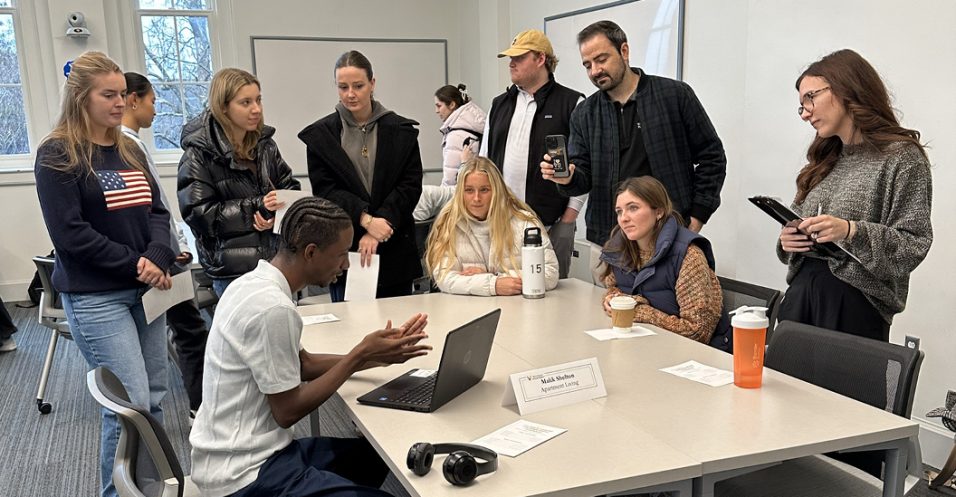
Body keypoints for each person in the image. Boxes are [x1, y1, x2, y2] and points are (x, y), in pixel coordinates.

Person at [190, 196, 431, 497]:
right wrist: (359, 356)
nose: (346, 264)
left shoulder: (255, 283)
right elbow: (288, 411)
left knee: (374, 460)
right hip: (244, 475)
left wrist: (377, 357)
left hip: (241, 452)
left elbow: (302, 365)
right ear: (311, 252)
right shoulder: (272, 309)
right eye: (342, 254)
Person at [34, 51, 177, 497]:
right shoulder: (57, 154)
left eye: (122, 94)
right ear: (81, 97)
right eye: (109, 95)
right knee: (128, 406)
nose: (121, 103)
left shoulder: (128, 147)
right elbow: (71, 236)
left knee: (152, 398)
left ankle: (147, 490)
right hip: (98, 298)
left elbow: (156, 211)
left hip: (146, 291)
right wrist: (138, 264)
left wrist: (157, 255)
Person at [777, 49, 933, 343]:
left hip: (854, 307)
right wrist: (788, 241)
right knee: (782, 387)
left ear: (846, 89)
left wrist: (850, 231)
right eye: (801, 105)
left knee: (835, 390)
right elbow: (798, 222)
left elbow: (914, 244)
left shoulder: (902, 158)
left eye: (810, 98)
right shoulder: (824, 161)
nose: (805, 113)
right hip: (800, 297)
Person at [542, 20, 726, 246]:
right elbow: (583, 178)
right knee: (606, 284)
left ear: (624, 51)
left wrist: (696, 218)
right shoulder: (584, 114)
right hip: (609, 238)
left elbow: (712, 157)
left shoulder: (674, 96)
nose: (595, 71)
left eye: (601, 59)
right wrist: (567, 177)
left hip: (669, 234)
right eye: (587, 65)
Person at [299, 50, 423, 301]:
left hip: (394, 246)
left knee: (397, 330)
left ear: (372, 84)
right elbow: (326, 191)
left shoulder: (401, 130)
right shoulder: (321, 136)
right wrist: (365, 221)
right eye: (343, 87)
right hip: (343, 251)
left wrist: (380, 226)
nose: (350, 94)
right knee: (351, 331)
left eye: (358, 85)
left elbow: (409, 186)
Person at [122, 71, 209, 417]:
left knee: (180, 332)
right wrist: (169, 254)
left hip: (164, 254)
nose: (155, 110)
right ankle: (200, 410)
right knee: (190, 331)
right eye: (153, 101)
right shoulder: (128, 144)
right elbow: (150, 207)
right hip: (161, 262)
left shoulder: (129, 143)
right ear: (134, 100)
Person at [178, 68, 300, 297]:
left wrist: (274, 216)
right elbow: (200, 215)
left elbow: (289, 187)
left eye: (258, 100)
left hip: (275, 263)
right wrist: (257, 207)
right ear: (223, 107)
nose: (256, 109)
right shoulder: (198, 154)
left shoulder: (265, 145)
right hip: (233, 272)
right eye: (245, 102)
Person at [479, 29, 585, 279]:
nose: (511, 63)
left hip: (552, 222)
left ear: (540, 59)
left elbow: (584, 166)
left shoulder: (572, 103)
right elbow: (484, 158)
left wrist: (568, 218)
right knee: (506, 292)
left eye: (519, 57)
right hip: (501, 223)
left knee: (554, 297)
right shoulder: (500, 104)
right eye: (510, 58)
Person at [600, 176, 727, 346]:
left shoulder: (689, 256)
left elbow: (697, 331)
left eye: (633, 208)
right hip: (647, 345)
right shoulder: (619, 247)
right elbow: (614, 286)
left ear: (659, 212)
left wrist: (640, 312)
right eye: (619, 211)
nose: (623, 218)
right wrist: (611, 298)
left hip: (697, 356)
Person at [425, 158, 558, 296]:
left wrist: (495, 277)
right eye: (469, 190)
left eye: (484, 190)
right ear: (460, 193)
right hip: (469, 310)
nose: (476, 198)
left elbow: (550, 274)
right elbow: (444, 278)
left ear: (496, 190)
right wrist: (492, 284)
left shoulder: (525, 223)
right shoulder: (450, 225)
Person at [434, 83, 486, 186]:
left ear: (452, 105)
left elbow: (450, 181)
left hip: (461, 195)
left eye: (439, 106)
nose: (436, 111)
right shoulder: (473, 128)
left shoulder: (456, 136)